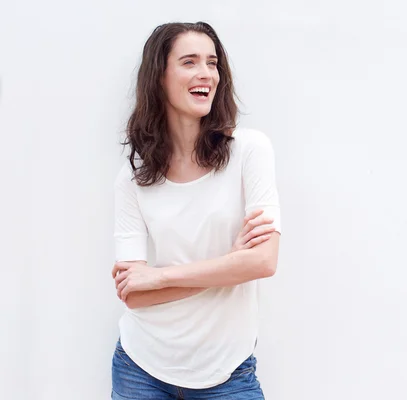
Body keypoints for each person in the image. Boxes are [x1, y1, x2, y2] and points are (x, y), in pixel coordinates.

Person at [110, 21, 281, 400]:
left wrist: (159, 277)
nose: (206, 73)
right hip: (141, 367)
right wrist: (230, 264)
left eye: (212, 62)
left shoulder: (249, 151)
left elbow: (263, 262)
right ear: (159, 77)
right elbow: (134, 294)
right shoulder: (133, 176)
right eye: (189, 62)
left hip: (228, 372)